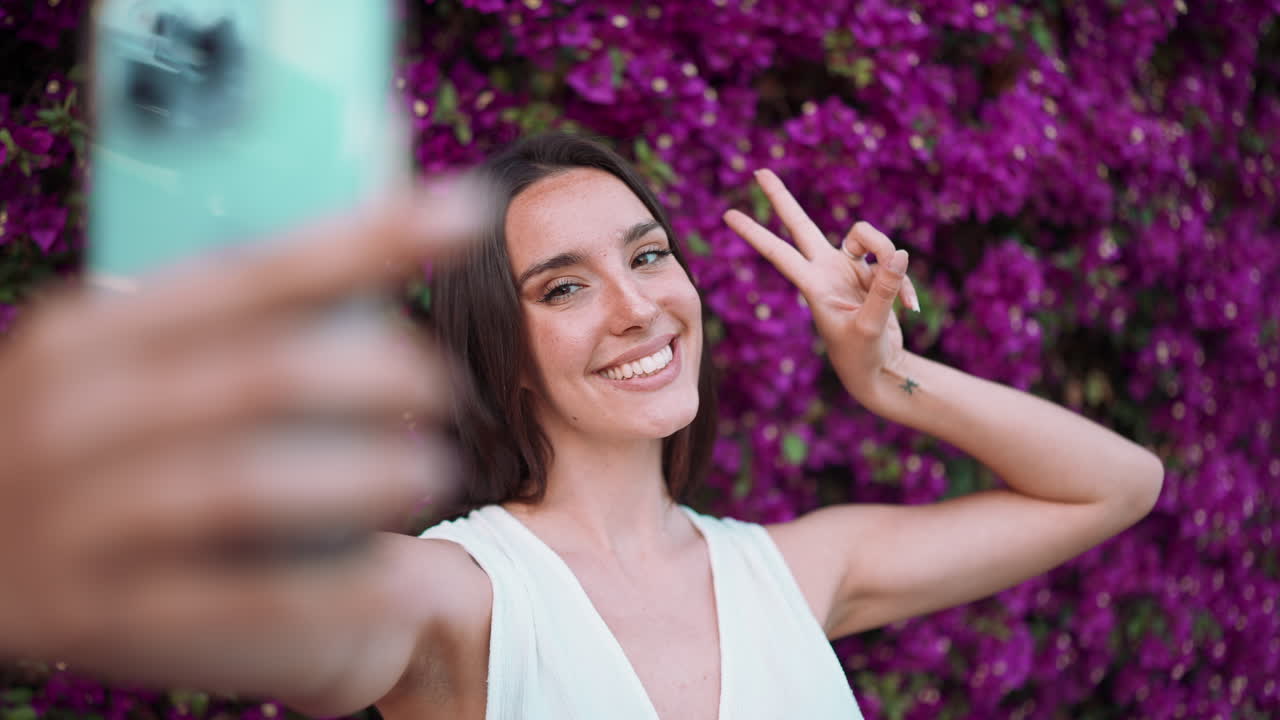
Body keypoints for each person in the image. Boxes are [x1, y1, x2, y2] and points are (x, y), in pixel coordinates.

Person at [284, 132, 1158, 720]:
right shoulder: (462, 594)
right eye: (564, 286)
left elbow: (1116, 485)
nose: (638, 307)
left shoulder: (794, 572)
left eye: (648, 255)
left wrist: (888, 377)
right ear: (496, 351)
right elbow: (235, 605)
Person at [0, 182, 486, 697]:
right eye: (562, 288)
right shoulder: (475, 582)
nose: (587, 321)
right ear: (505, 348)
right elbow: (351, 625)